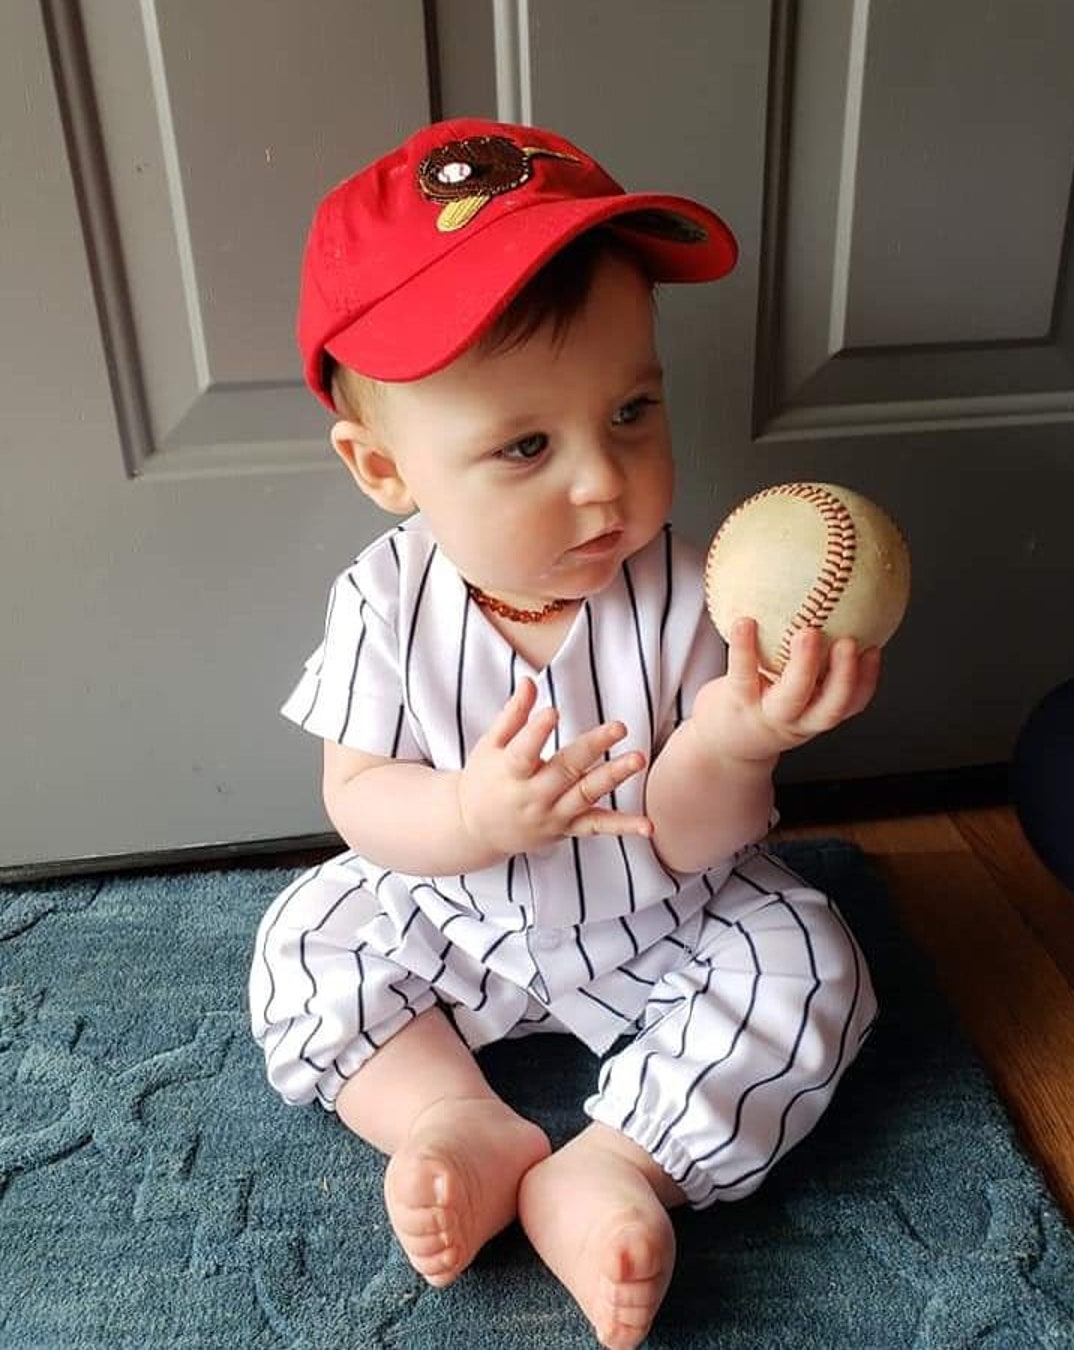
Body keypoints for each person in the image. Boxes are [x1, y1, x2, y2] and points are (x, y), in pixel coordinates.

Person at [249, 118, 881, 1350]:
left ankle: (618, 1164)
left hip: (664, 919)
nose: (604, 480)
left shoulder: (700, 596)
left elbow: (697, 841)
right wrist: (471, 818)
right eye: (528, 445)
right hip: (455, 920)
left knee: (811, 970)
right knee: (305, 941)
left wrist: (737, 740)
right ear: (384, 467)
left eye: (633, 410)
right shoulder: (385, 599)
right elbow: (359, 794)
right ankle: (452, 1118)